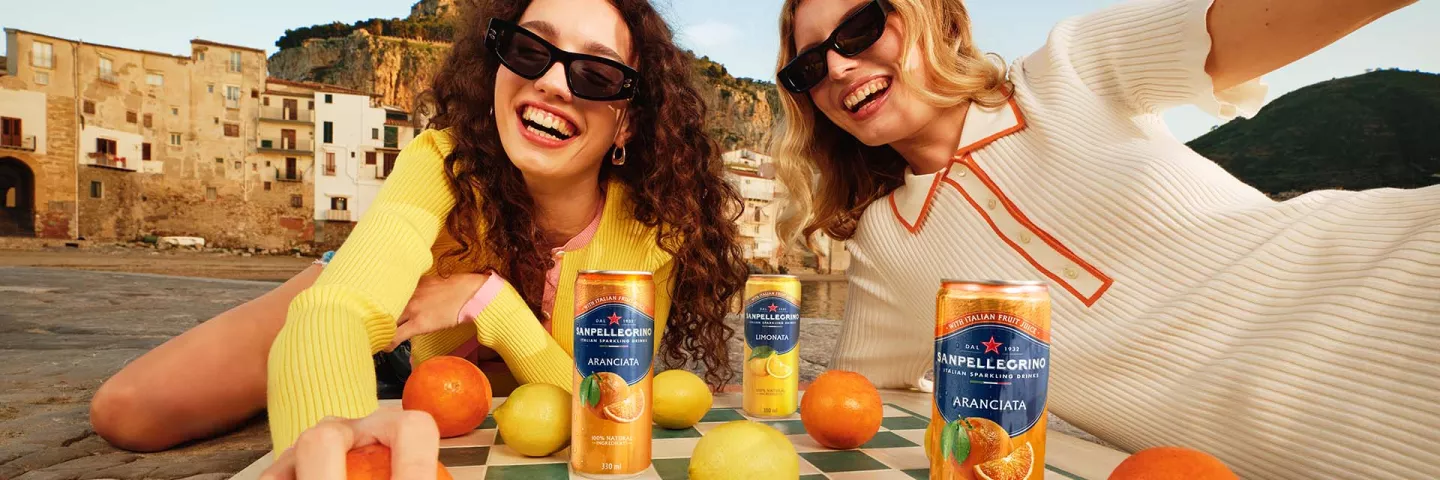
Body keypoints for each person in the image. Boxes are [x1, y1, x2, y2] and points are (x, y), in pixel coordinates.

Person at [773, 0, 1438, 478]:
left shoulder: (1070, 68)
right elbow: (852, 405)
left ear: (936, 16)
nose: (836, 64)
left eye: (859, 27)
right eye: (806, 68)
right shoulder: (886, 242)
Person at [90, 0, 747, 454]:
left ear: (627, 120)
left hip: (455, 361)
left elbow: (602, 401)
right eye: (527, 49)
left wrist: (493, 303)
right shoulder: (439, 159)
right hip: (395, 304)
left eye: (597, 72)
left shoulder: (653, 231)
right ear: (497, 69)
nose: (551, 82)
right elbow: (341, 312)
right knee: (130, 411)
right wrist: (328, 419)